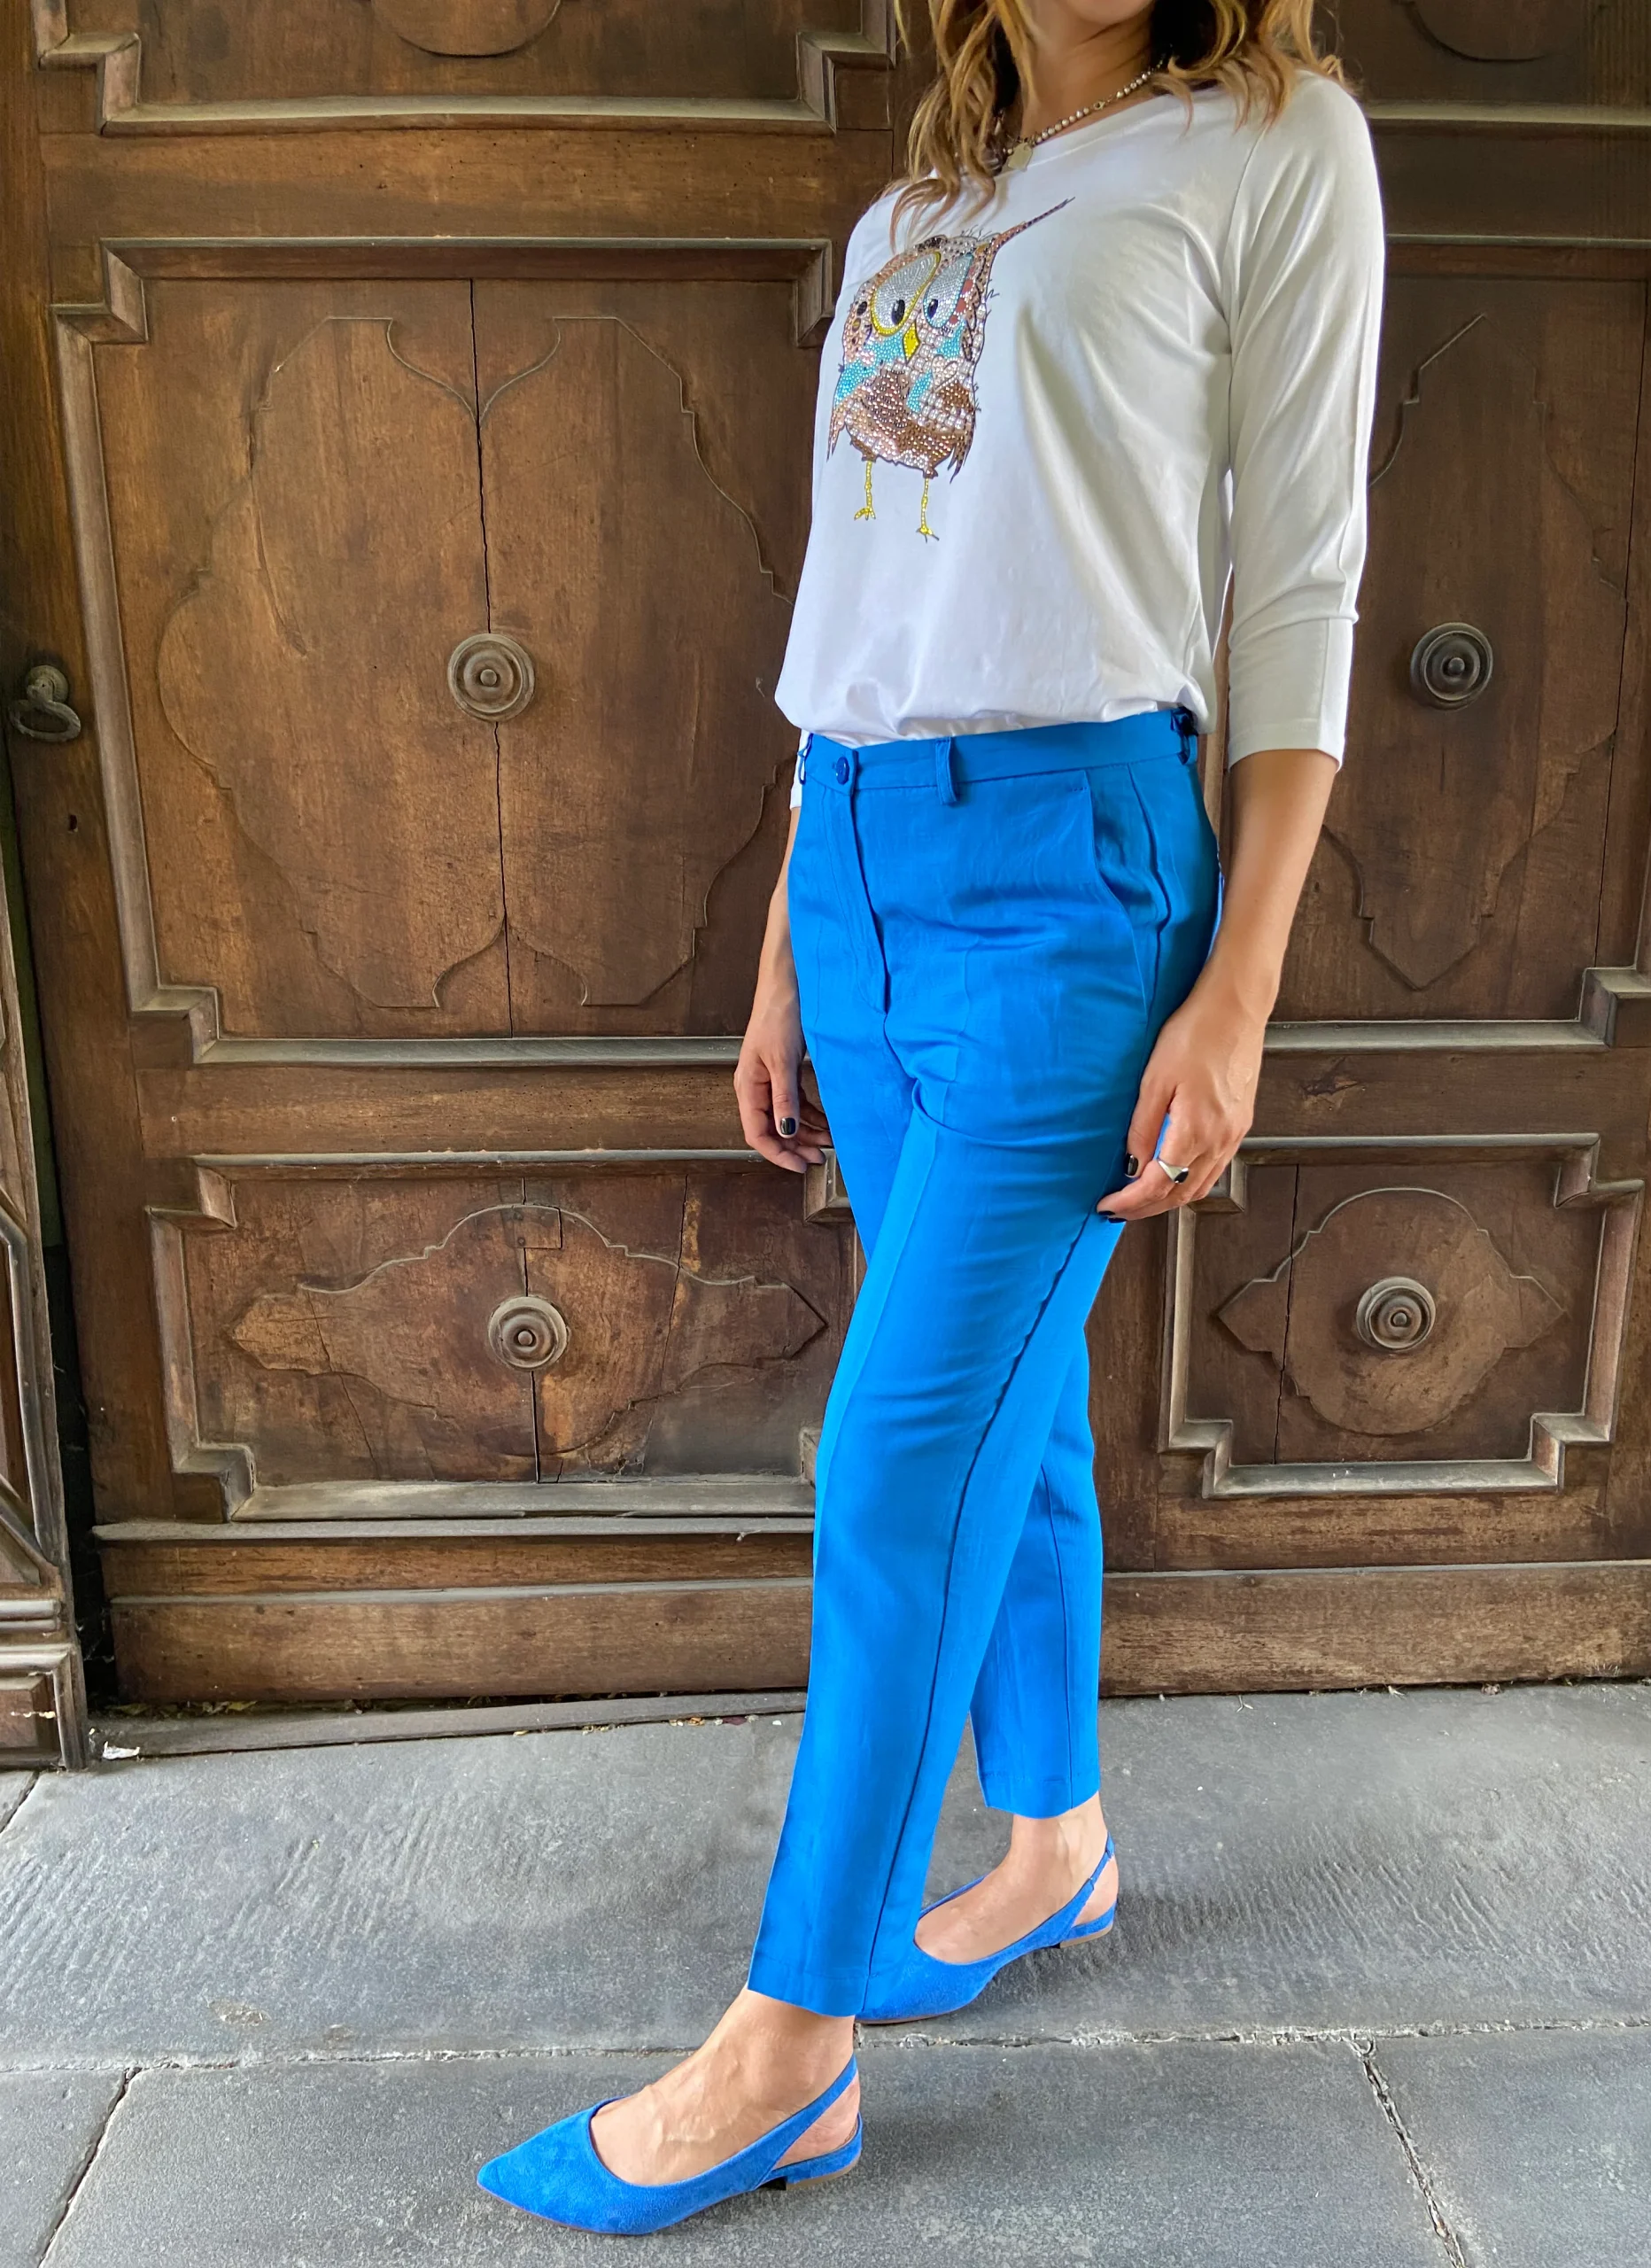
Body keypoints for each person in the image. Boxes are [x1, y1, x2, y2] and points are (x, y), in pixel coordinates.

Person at [478, 0, 1384, 2233]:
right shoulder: (923, 210)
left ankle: (791, 2041)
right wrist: (794, 936)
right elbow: (861, 580)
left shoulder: (1274, 145)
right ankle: (1054, 1831)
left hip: (1078, 865)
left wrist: (1244, 986)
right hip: (867, 858)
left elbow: (1299, 581)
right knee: (1009, 1398)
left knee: (897, 1452)